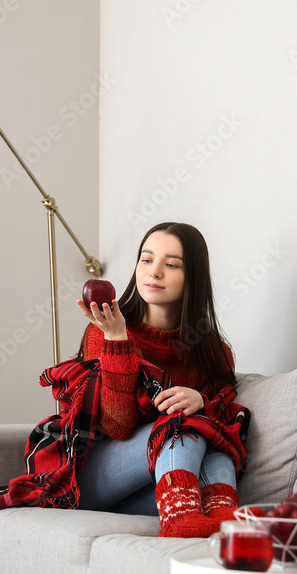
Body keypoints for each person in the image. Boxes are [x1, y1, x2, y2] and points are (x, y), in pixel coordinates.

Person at [73, 222, 248, 538]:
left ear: (191, 276)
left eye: (171, 265)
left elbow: (226, 419)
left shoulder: (213, 351)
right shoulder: (104, 332)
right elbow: (118, 426)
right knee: (183, 423)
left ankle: (221, 517)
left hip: (150, 491)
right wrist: (117, 338)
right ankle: (182, 521)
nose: (154, 272)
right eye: (146, 259)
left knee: (211, 432)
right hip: (94, 479)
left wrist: (202, 401)